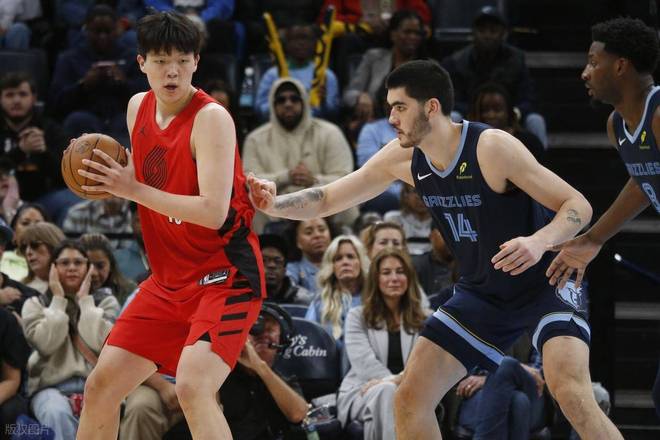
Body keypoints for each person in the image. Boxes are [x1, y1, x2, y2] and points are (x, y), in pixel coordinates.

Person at [247, 59, 622, 439]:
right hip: (484, 293)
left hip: (546, 283)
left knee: (571, 392)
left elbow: (578, 205)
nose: (391, 118)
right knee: (409, 399)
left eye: (400, 107)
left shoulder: (491, 147)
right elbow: (328, 198)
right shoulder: (403, 157)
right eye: (389, 107)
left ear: (431, 107)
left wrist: (539, 241)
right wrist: (274, 205)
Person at [74, 11, 266, 440]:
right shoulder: (137, 107)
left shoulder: (211, 118)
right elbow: (148, 180)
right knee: (101, 387)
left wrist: (132, 189)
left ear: (197, 61)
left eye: (181, 60)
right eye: (161, 61)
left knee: (194, 388)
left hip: (225, 276)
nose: (172, 71)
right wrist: (99, 172)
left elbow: (213, 212)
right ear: (141, 63)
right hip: (167, 281)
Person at [546, 17, 660, 420]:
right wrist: (593, 238)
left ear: (621, 65)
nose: (585, 72)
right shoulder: (618, 126)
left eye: (593, 62)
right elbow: (643, 182)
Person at [21, 240, 120, 440]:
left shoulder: (106, 302)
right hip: (50, 389)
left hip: (97, 387)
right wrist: (58, 300)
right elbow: (45, 345)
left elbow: (103, 343)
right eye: (65, 263)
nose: (72, 268)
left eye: (78, 262)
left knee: (103, 417)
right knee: (56, 413)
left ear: (88, 268)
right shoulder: (35, 304)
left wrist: (85, 301)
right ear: (53, 268)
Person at [336, 247, 427, 440]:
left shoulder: (426, 319)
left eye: (400, 272)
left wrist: (395, 381)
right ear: (375, 279)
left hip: (411, 391)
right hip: (362, 390)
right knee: (388, 393)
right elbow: (364, 364)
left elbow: (426, 366)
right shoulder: (357, 317)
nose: (394, 278)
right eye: (386, 272)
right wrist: (394, 384)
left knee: (391, 392)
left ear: (409, 278)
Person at [243, 78, 355, 232]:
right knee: (251, 201)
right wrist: (286, 177)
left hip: (322, 203)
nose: (288, 104)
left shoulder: (330, 132)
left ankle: (346, 243)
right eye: (281, 100)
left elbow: (345, 177)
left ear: (304, 102)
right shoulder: (255, 139)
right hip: (274, 208)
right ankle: (265, 246)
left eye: (294, 99)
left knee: (348, 199)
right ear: (272, 105)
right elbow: (249, 180)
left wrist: (314, 180)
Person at [441, 6, 547, 148]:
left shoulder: (516, 59)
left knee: (535, 120)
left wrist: (512, 112)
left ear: (503, 33)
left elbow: (529, 96)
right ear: (473, 33)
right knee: (453, 116)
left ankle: (540, 161)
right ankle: (448, 160)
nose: (487, 35)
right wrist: (477, 111)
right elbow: (451, 99)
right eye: (482, 30)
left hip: (509, 117)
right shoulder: (457, 61)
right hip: (470, 116)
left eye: (493, 30)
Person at [219, 302, 309, 439]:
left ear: (281, 339)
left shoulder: (283, 378)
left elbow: (298, 414)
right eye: (255, 329)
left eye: (270, 330)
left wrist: (260, 367)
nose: (263, 334)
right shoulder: (221, 376)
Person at [0, 72, 72, 217]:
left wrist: (43, 152)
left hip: (45, 199)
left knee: (69, 200)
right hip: (1, 196)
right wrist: (20, 151)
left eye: (23, 94)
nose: (16, 100)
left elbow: (66, 177)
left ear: (34, 98)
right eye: (9, 95)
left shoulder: (51, 129)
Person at [255, 23, 340, 121]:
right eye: (296, 39)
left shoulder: (326, 75)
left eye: (306, 39)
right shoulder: (272, 74)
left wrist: (323, 103)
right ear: (286, 43)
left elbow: (334, 112)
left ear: (315, 43)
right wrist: (279, 104)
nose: (301, 43)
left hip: (316, 126)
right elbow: (259, 109)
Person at [305, 234, 369, 339]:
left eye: (350, 257)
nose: (345, 262)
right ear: (332, 267)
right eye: (338, 258)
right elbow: (309, 340)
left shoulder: (374, 299)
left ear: (361, 262)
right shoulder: (319, 303)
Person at [468, 82, 545, 163]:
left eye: (497, 110)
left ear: (508, 112)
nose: (491, 115)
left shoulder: (529, 142)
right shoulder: (468, 144)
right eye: (485, 110)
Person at [79, 233, 136, 306]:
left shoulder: (129, 292)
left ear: (111, 265)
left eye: (100, 266)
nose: (93, 273)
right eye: (87, 265)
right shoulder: (68, 292)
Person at [259, 233, 313, 305]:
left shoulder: (305, 300)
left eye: (277, 261)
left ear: (285, 268)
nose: (272, 265)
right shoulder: (245, 299)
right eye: (263, 260)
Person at [285, 218, 332, 295]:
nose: (317, 235)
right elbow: (289, 290)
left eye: (322, 230)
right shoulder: (292, 269)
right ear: (297, 241)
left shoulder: (340, 264)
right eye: (309, 233)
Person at [384, 183, 433, 255]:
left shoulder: (442, 220)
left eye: (426, 191)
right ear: (405, 195)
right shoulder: (393, 219)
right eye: (415, 191)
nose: (420, 197)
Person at [17, 222, 65, 294]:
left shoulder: (76, 283)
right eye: (24, 247)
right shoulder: (20, 291)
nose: (28, 252)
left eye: (35, 245)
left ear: (53, 246)